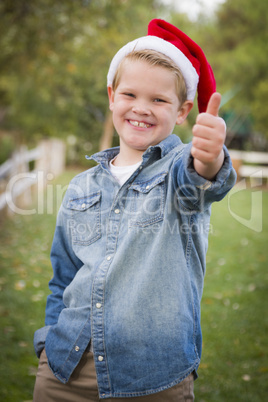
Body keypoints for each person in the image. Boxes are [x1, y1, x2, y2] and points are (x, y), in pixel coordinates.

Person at [33, 19, 236, 401]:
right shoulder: (81, 187)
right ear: (112, 96)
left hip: (152, 378)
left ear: (182, 110)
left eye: (159, 100)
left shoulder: (178, 170)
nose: (141, 109)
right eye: (130, 94)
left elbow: (204, 178)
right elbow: (63, 278)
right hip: (64, 370)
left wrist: (210, 157)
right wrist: (47, 345)